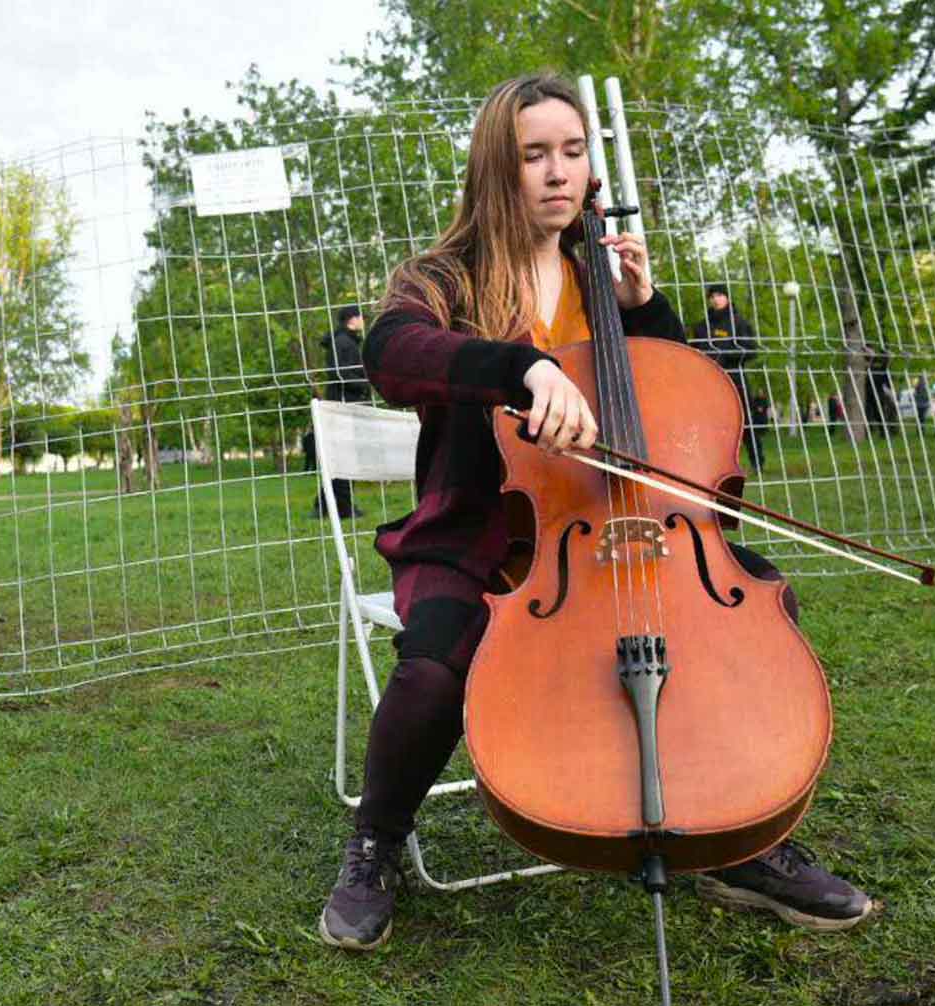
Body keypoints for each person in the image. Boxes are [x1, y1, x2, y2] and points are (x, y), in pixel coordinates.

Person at [318, 73, 873, 953]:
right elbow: (392, 352)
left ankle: (739, 839)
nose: (557, 172)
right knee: (432, 668)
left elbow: (682, 406)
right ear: (496, 167)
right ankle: (376, 843)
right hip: (479, 535)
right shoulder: (442, 276)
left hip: (620, 528)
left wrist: (643, 311)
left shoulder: (599, 272)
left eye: (572, 152)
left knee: (762, 605)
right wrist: (522, 367)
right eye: (533, 154)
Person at [690, 284, 765, 471]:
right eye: (712, 296)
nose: (716, 299)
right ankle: (715, 464)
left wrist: (726, 354)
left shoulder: (739, 323)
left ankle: (757, 462)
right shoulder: (702, 326)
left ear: (728, 298)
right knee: (711, 422)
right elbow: (694, 350)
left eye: (720, 295)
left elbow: (751, 350)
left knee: (746, 421)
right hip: (708, 379)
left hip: (735, 377)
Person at [311, 306, 371, 518]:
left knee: (342, 457)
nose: (363, 319)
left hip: (350, 405)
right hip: (345, 407)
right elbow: (339, 373)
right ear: (351, 320)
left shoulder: (348, 342)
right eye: (360, 316)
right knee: (346, 458)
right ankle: (342, 508)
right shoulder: (343, 343)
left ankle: (323, 506)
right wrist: (366, 383)